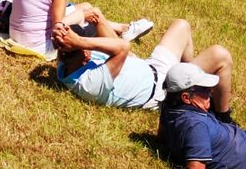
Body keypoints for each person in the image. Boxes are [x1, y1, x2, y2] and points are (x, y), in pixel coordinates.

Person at [54, 18, 232, 112]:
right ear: (82, 49)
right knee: (220, 55)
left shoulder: (66, 65)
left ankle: (190, 84)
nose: (89, 53)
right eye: (84, 49)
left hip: (151, 67)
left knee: (182, 25)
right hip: (162, 90)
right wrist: (81, 41)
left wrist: (97, 20)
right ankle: (223, 118)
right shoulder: (88, 84)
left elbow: (92, 14)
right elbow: (123, 47)